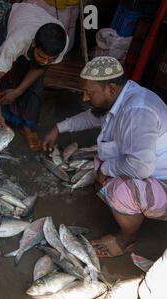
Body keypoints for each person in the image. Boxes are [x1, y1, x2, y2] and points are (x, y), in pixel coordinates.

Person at [42, 56, 167, 258]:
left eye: (88, 93)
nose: (84, 98)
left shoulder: (137, 111)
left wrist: (105, 171)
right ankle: (118, 200)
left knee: (120, 191)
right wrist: (58, 128)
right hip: (151, 170)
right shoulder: (121, 96)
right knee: (102, 159)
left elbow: (140, 168)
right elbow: (92, 117)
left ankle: (126, 239)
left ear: (110, 88)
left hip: (162, 180)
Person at [0, 3, 68, 152]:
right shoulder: (15, 42)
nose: (46, 61)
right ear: (34, 44)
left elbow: (40, 68)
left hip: (35, 19)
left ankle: (28, 126)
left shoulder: (60, 44)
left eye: (50, 59)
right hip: (14, 18)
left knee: (37, 84)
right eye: (41, 56)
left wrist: (18, 91)